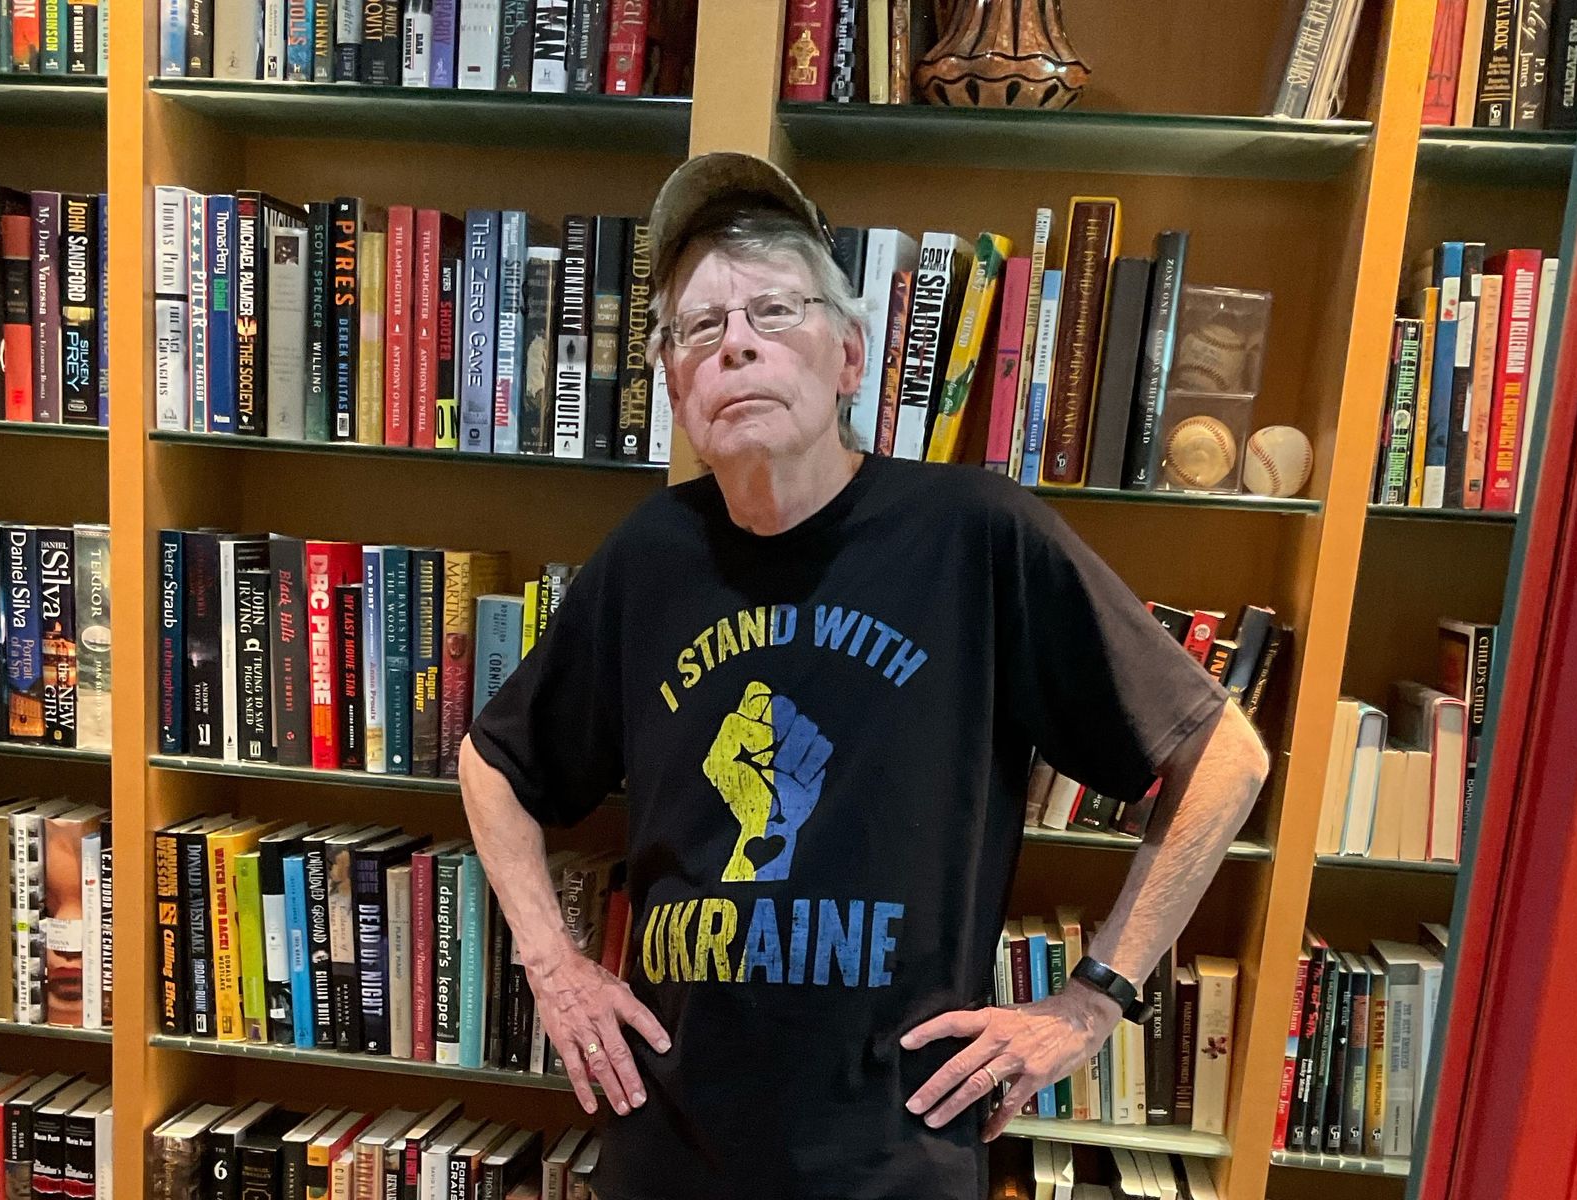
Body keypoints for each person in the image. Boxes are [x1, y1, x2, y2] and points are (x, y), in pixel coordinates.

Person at [459, 152, 1270, 1200]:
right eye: (698, 328)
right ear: (674, 388)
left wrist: (1093, 999)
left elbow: (1226, 758)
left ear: (849, 356)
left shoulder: (974, 535)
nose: (735, 342)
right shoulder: (648, 558)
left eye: (773, 310)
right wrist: (552, 965)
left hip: (892, 1157)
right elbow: (496, 762)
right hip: (668, 1152)